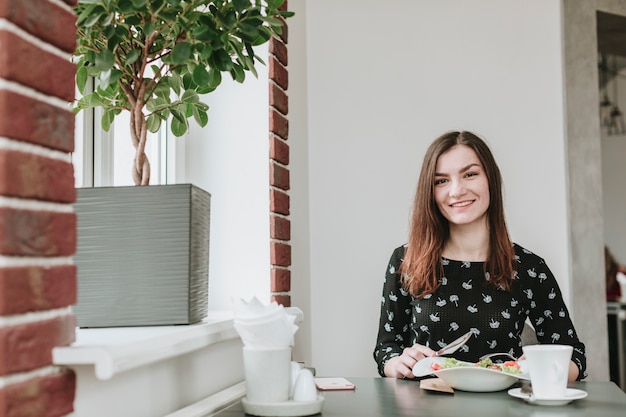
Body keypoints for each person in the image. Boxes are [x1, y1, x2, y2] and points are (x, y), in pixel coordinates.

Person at [373, 130, 587, 382]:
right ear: (430, 192)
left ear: (490, 179)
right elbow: (386, 349)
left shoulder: (530, 268)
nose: (456, 191)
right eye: (441, 181)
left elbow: (575, 357)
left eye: (470, 174)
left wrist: (546, 366)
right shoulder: (405, 260)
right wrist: (398, 363)